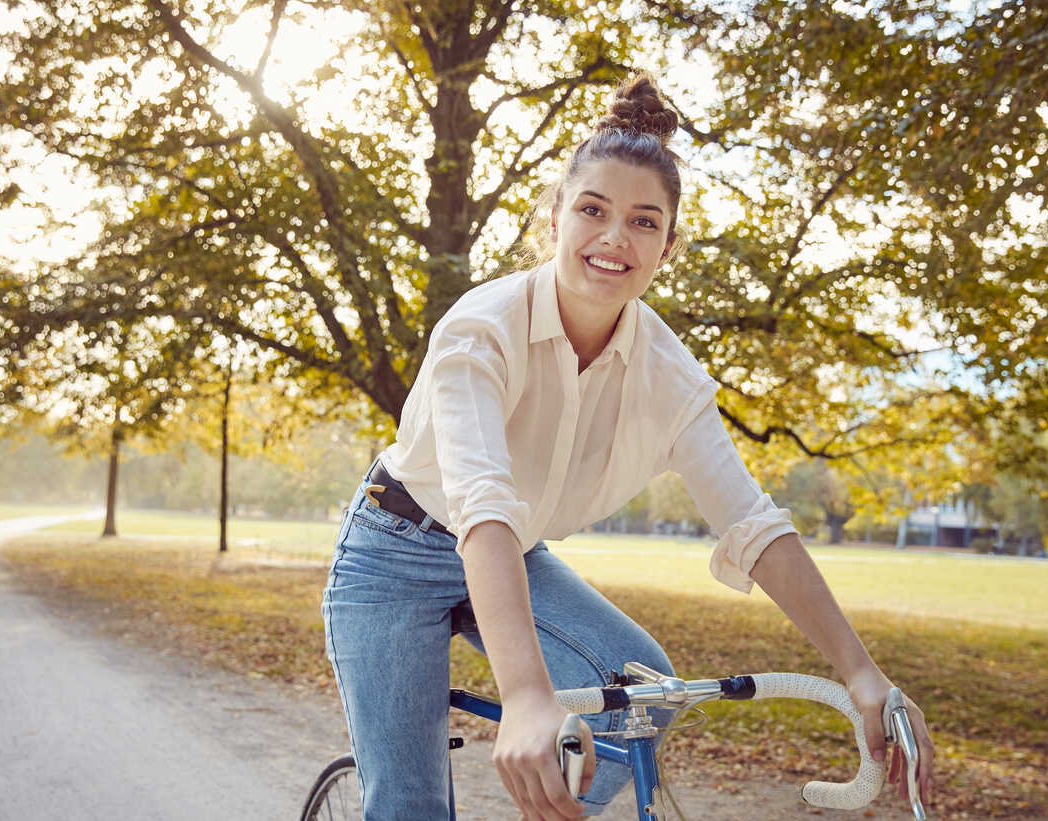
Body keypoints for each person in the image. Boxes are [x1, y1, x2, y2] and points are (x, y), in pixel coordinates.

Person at [321, 71, 934, 821]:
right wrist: (524, 696)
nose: (615, 238)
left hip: (517, 554)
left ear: (668, 247)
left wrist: (862, 672)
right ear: (554, 219)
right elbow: (481, 506)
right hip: (397, 550)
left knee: (644, 692)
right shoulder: (479, 331)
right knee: (412, 806)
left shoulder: (669, 375)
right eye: (593, 210)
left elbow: (754, 524)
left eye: (644, 222)